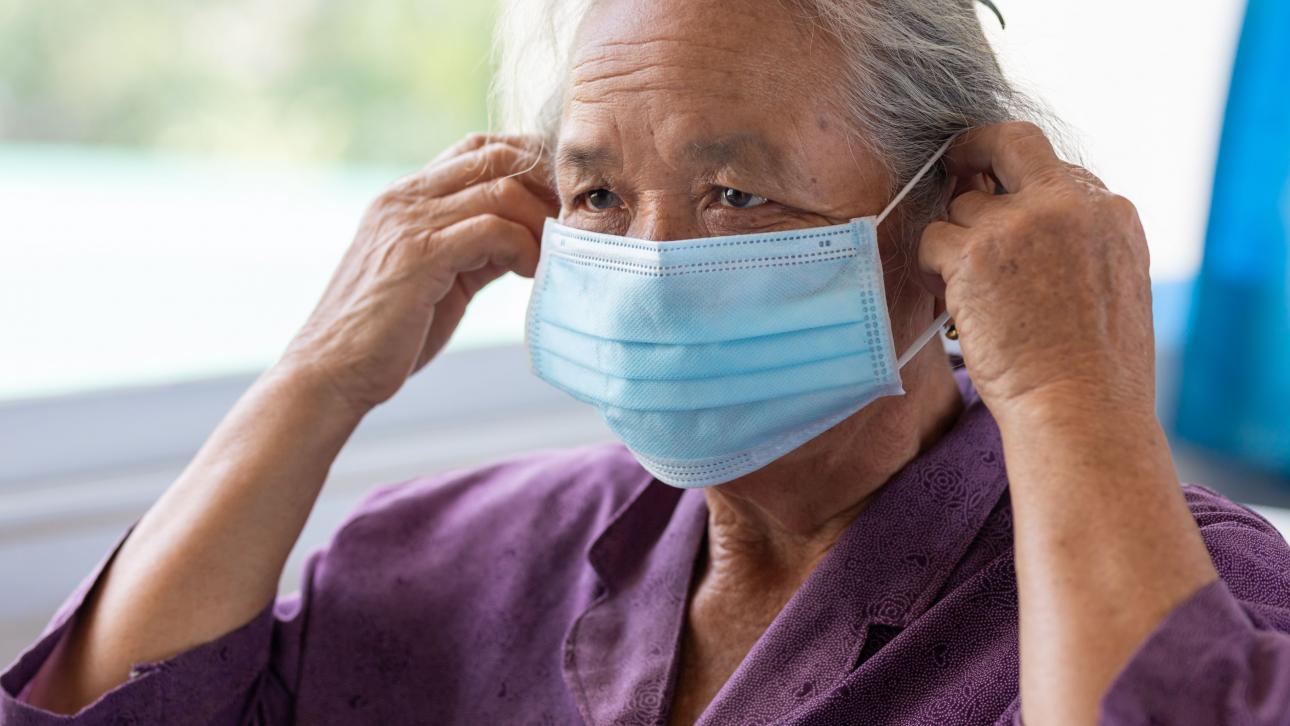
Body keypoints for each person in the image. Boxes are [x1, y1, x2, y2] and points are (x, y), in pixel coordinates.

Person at [5, 0, 1290, 724]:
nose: (656, 259)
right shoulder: (452, 554)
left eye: (735, 194)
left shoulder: (1189, 581)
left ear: (945, 213)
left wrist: (1071, 389)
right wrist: (323, 375)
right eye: (601, 193)